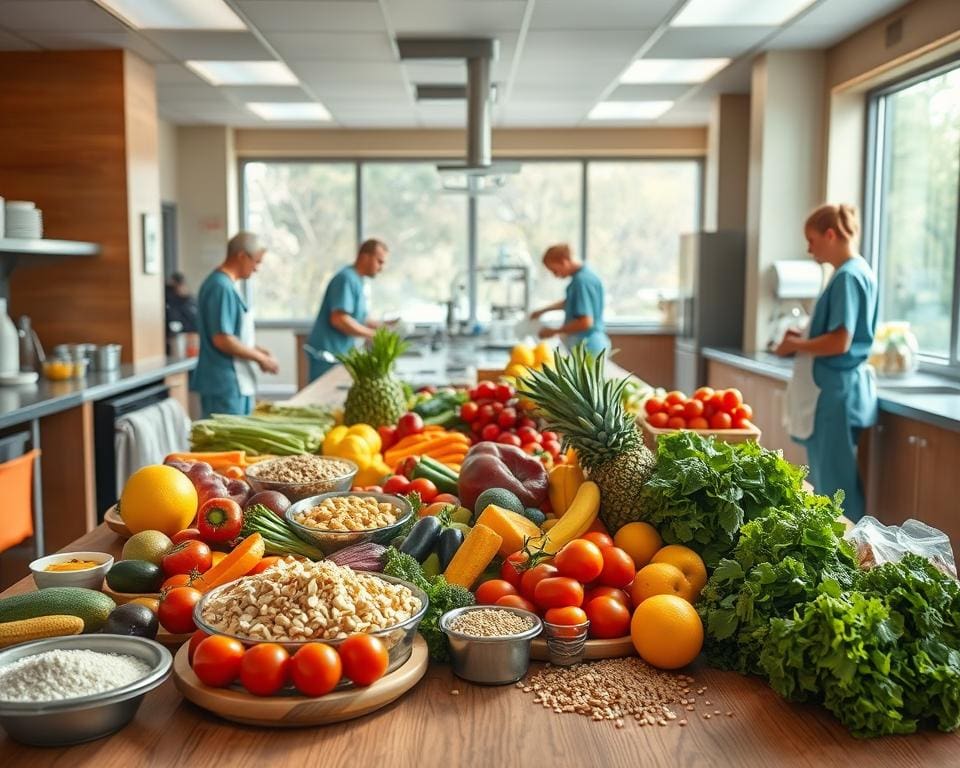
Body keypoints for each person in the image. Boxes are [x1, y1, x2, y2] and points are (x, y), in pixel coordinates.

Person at [774, 204, 878, 521]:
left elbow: (840, 340)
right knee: (829, 482)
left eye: (812, 240)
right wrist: (806, 333)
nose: (809, 249)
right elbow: (838, 331)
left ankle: (848, 561)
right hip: (837, 391)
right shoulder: (855, 272)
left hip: (834, 393)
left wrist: (795, 344)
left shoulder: (847, 277)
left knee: (835, 490)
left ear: (830, 235)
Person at [190, 231, 279, 417]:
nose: (257, 268)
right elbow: (223, 339)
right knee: (224, 445)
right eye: (256, 261)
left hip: (234, 382)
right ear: (241, 256)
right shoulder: (220, 287)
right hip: (223, 384)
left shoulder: (226, 285)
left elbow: (234, 335)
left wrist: (257, 350)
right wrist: (260, 358)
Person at [307, 238, 389, 381]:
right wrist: (372, 335)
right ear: (364, 257)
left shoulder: (358, 281)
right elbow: (339, 319)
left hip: (341, 353)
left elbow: (358, 318)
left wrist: (383, 326)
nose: (381, 268)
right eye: (379, 262)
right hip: (329, 355)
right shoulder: (345, 279)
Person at [529, 244, 611, 355]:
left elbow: (585, 322)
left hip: (588, 345)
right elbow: (572, 303)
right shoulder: (584, 275)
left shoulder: (581, 282)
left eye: (555, 270)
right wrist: (542, 311)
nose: (555, 275)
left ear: (564, 262)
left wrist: (554, 331)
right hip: (590, 342)